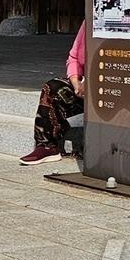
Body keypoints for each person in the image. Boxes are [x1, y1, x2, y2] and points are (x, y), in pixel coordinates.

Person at [21, 21, 87, 165]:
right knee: (53, 87)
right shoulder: (88, 21)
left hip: (112, 86)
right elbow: (74, 58)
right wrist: (76, 83)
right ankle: (46, 146)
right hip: (84, 86)